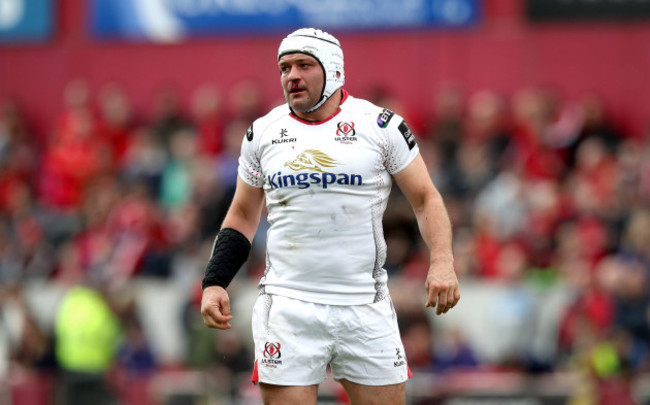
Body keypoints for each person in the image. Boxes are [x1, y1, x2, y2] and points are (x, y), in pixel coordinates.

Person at [200, 27, 460, 405]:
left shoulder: (381, 126)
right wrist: (215, 280)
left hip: (364, 304)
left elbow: (426, 199)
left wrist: (442, 262)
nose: (292, 76)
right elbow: (241, 214)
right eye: (284, 67)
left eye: (304, 65)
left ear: (334, 70)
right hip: (288, 305)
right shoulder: (263, 133)